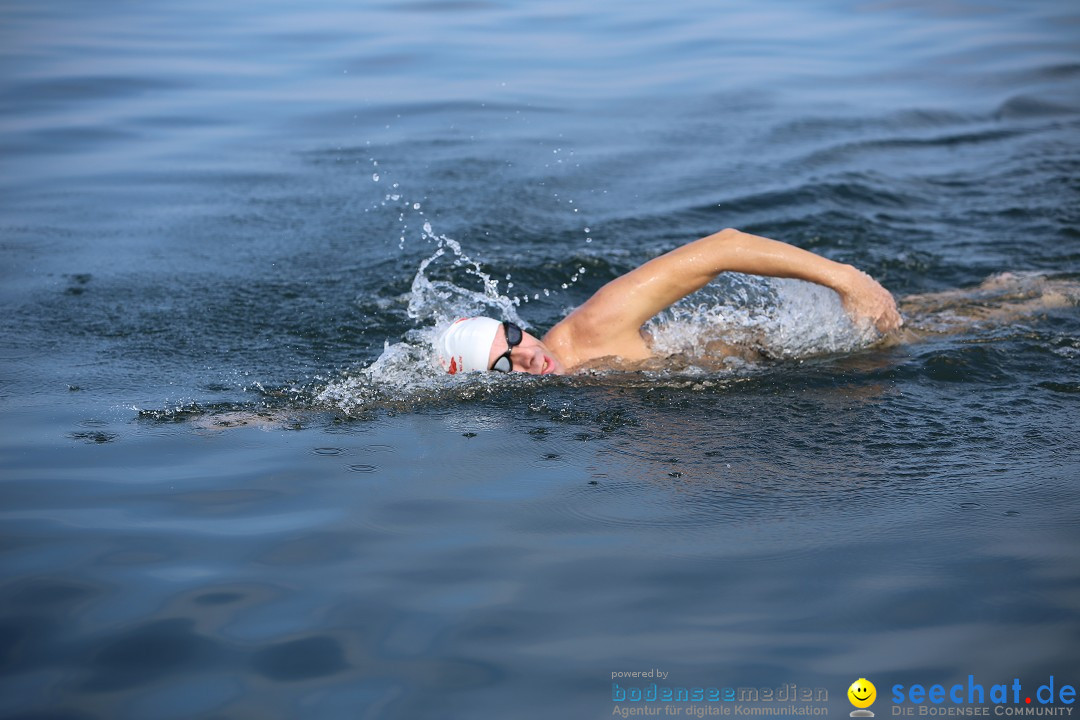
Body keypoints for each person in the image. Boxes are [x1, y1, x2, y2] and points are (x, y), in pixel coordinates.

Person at [436, 228, 902, 375]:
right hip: (788, 361)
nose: (531, 356)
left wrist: (848, 281)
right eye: (505, 365)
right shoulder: (569, 385)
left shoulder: (592, 328)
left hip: (806, 346)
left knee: (959, 321)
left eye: (515, 337)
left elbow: (723, 246)